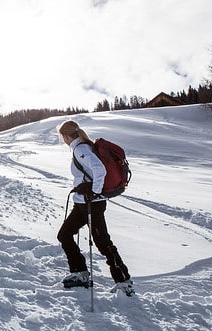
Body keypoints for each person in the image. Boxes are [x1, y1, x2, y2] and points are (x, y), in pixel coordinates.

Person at [57, 120, 134, 296]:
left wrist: (94, 191)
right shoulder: (83, 147)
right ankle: (80, 273)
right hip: (83, 203)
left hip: (93, 203)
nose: (63, 140)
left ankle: (124, 281)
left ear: (67, 136)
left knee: (102, 242)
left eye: (63, 137)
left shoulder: (81, 149)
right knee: (65, 234)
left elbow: (99, 170)